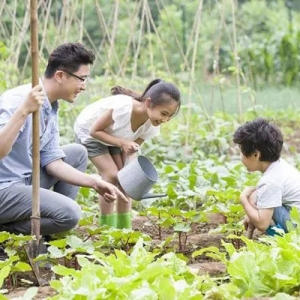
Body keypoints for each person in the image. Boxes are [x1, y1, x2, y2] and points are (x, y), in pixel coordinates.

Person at [0, 42, 128, 237]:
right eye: (81, 79)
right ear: (60, 75)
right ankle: (7, 229)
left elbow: (52, 162)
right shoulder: (17, 100)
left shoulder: (51, 107)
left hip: (24, 181)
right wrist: (24, 111)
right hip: (5, 188)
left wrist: (94, 183)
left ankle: (52, 233)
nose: (84, 86)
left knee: (77, 153)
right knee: (70, 214)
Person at [74, 79, 181, 229]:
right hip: (90, 133)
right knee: (111, 176)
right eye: (164, 113)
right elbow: (95, 131)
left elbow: (130, 151)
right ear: (149, 103)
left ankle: (124, 229)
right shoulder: (123, 109)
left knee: (125, 179)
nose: (165, 120)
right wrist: (122, 143)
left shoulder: (152, 125)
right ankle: (106, 228)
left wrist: (129, 173)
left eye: (169, 116)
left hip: (116, 137)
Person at [233, 117, 300, 237]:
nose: (240, 156)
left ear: (255, 155)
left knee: (255, 199)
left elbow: (262, 224)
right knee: (257, 197)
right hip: (295, 216)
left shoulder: (270, 181)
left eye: (241, 152)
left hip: (298, 228)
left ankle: (281, 242)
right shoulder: (280, 166)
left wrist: (243, 198)